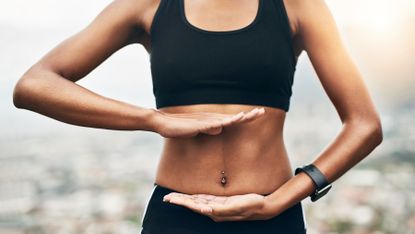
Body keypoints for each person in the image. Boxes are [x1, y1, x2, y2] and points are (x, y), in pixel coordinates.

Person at [12, 0, 383, 233]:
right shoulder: (148, 6)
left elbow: (364, 125)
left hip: (272, 217)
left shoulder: (299, 7)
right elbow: (34, 85)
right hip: (176, 218)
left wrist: (282, 200)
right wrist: (152, 119)